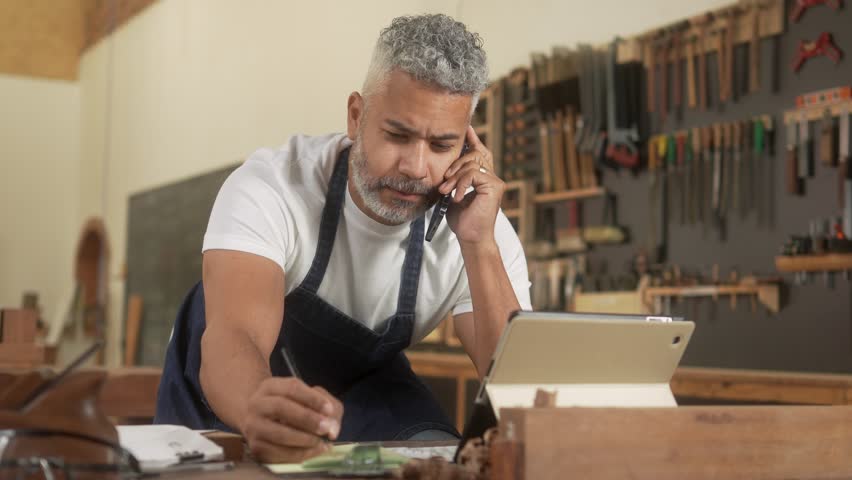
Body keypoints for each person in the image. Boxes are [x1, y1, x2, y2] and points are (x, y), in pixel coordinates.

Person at [154, 13, 531, 462]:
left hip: (364, 389)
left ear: (467, 146)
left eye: (440, 146)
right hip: (236, 389)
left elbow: (519, 392)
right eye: (397, 134)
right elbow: (234, 335)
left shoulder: (479, 228)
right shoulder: (273, 187)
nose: (414, 166)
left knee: (434, 457)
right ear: (356, 116)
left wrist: (478, 244)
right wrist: (257, 408)